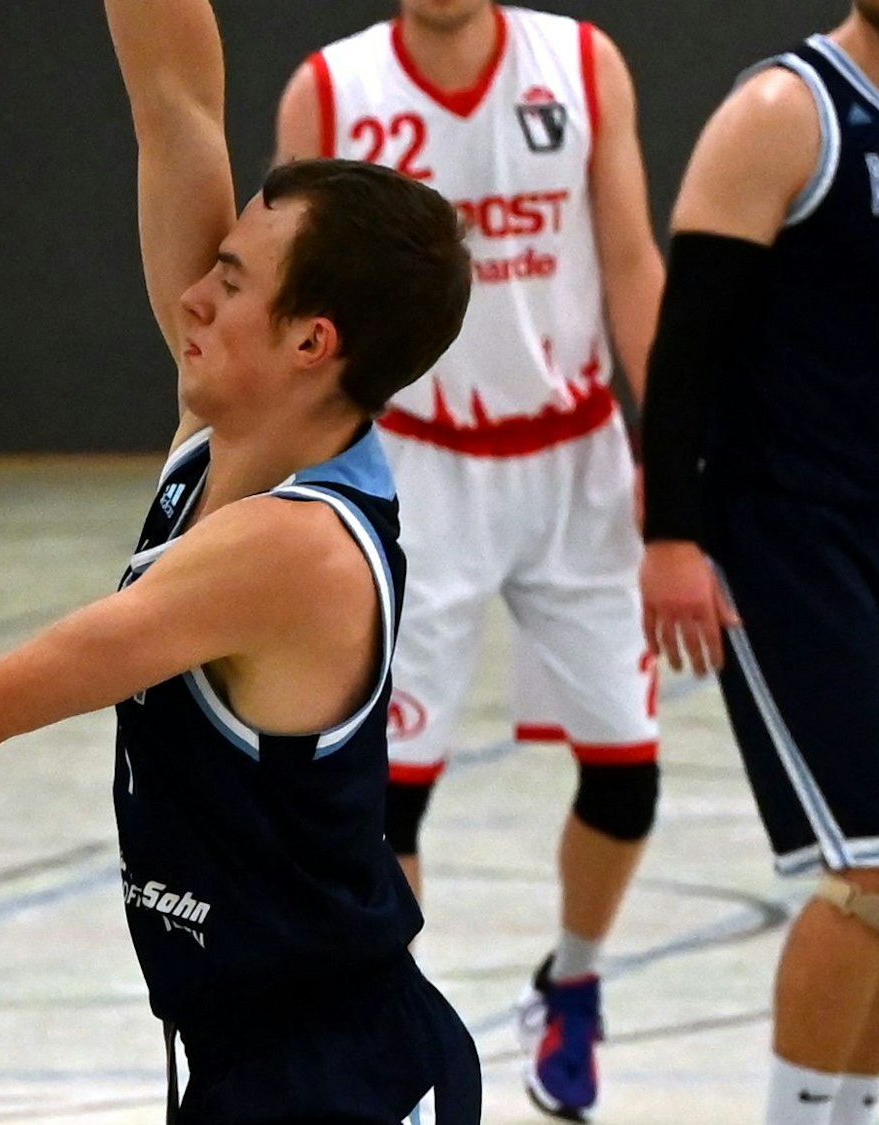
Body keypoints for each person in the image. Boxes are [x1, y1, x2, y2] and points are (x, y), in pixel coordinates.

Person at [0, 2, 479, 1120]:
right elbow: (175, 104)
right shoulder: (230, 438)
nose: (194, 291)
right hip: (258, 1058)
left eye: (233, 281)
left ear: (312, 342)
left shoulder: (285, 550)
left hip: (335, 1075)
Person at [273, 1, 667, 1117]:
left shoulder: (582, 64)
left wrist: (684, 458)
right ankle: (393, 1028)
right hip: (419, 467)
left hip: (575, 456)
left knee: (627, 773)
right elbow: (292, 298)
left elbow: (630, 263)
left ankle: (572, 982)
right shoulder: (330, 90)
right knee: (389, 796)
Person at [640, 2, 879, 1121]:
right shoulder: (780, 112)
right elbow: (683, 343)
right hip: (778, 530)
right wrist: (669, 536)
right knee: (874, 871)